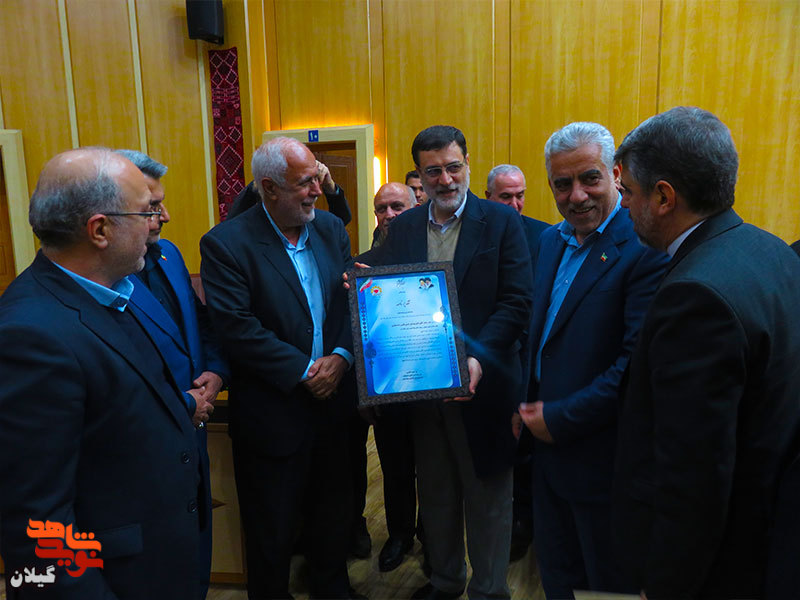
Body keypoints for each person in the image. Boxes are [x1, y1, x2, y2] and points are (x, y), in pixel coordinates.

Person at [613, 106, 800, 598]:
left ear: (663, 197)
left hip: (722, 565)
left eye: (627, 191)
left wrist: (662, 586)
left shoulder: (695, 297)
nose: (622, 204)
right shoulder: (772, 249)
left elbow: (693, 480)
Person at [0, 147, 202, 598]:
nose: (158, 221)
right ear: (100, 230)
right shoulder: (29, 336)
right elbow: (38, 527)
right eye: (147, 211)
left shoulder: (109, 294)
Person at [363, 125, 533, 600]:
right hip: (425, 390)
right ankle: (445, 581)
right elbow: (392, 297)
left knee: (488, 501)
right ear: (419, 175)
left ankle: (489, 591)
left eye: (453, 167)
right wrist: (365, 290)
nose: (445, 179)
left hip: (487, 389)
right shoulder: (405, 227)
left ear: (467, 165)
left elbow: (517, 303)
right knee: (436, 495)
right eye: (433, 171)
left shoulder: (501, 222)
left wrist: (476, 358)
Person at [200, 137, 359, 599]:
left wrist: (342, 357)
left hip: (335, 407)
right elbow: (238, 329)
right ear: (269, 188)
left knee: (334, 516)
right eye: (305, 182)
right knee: (271, 530)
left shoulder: (331, 228)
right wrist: (307, 371)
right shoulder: (226, 244)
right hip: (273, 413)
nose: (317, 190)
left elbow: (350, 303)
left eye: (317, 179)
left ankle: (333, 591)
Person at [518, 122, 667, 599]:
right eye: (562, 184)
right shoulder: (549, 241)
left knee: (605, 589)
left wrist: (558, 418)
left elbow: (634, 367)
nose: (576, 196)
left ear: (616, 174)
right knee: (558, 579)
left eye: (589, 179)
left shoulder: (644, 248)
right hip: (546, 458)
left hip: (606, 465)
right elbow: (540, 340)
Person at [117, 149, 229, 599]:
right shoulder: (102, 283)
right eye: (152, 207)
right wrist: (184, 403)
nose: (165, 216)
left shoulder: (169, 255)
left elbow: (199, 324)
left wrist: (216, 371)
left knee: (193, 560)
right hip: (146, 456)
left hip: (192, 443)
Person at [485, 163, 549, 562]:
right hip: (486, 357)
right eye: (505, 196)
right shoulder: (477, 234)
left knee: (524, 447)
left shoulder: (544, 236)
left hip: (529, 357)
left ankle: (523, 522)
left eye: (520, 195)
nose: (514, 203)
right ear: (488, 197)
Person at [228, 157, 351, 223]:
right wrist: (256, 186)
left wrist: (330, 187)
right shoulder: (259, 222)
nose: (316, 192)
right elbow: (231, 226)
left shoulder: (309, 218)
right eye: (303, 183)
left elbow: (341, 220)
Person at [372, 182, 417, 247]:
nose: (389, 215)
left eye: (396, 207)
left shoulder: (430, 246)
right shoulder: (374, 249)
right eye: (382, 209)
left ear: (416, 209)